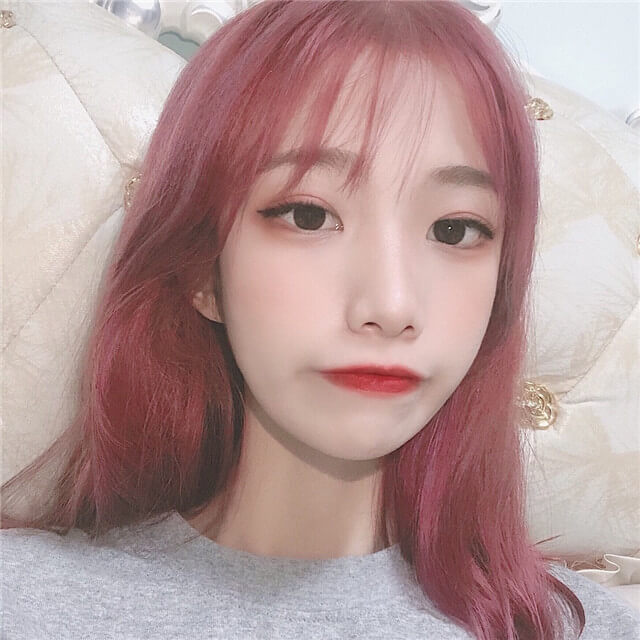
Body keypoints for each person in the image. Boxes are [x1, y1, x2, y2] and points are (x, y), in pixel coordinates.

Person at [2, 1, 639, 639]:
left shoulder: (574, 627)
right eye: (308, 216)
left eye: (455, 229)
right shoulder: (25, 601)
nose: (391, 306)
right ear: (201, 268)